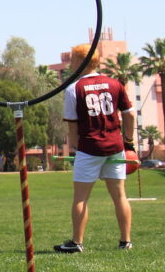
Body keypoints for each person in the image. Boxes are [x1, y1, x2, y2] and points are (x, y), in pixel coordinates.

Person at [53, 42, 135, 253]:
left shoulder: (74, 89)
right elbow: (130, 114)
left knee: (81, 197)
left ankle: (77, 242)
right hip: (115, 146)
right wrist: (129, 141)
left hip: (89, 147)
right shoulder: (115, 84)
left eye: (73, 59)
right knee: (119, 196)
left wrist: (75, 149)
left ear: (82, 61)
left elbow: (72, 127)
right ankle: (126, 241)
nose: (71, 63)